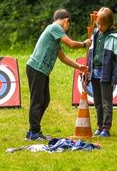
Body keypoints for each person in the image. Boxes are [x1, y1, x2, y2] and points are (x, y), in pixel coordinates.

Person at [25, 9, 90, 141]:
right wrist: (85, 44)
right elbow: (71, 44)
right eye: (68, 26)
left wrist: (79, 66)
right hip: (36, 68)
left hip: (41, 71)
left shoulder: (54, 36)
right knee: (37, 101)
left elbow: (63, 58)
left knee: (45, 100)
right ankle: (33, 132)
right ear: (66, 21)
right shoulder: (55, 27)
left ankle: (34, 130)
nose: (67, 29)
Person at [86, 7, 117, 138]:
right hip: (94, 71)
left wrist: (115, 77)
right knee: (97, 101)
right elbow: (90, 53)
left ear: (110, 23)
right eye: (98, 23)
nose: (99, 26)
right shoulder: (95, 34)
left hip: (106, 73)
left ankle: (106, 127)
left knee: (106, 102)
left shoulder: (115, 38)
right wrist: (87, 69)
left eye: (102, 24)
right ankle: (100, 125)